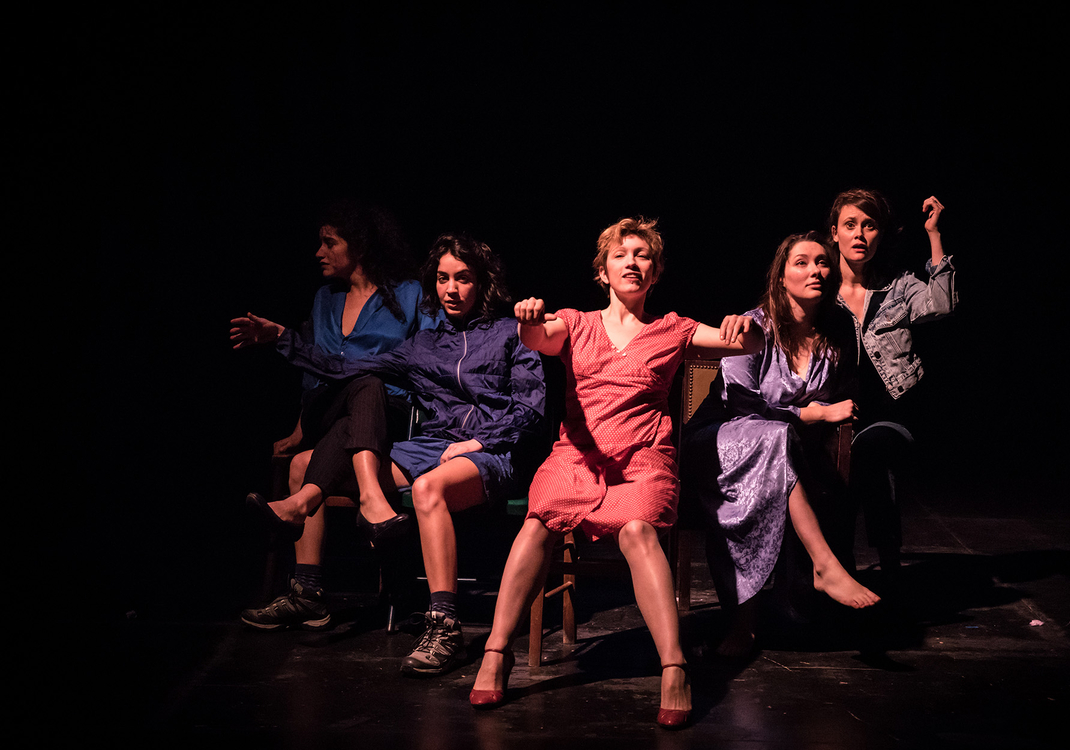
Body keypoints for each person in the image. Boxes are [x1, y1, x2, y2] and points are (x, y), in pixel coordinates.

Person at [467, 217, 764, 729]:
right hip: (577, 456)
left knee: (637, 530)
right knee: (537, 523)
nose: (632, 262)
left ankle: (674, 666)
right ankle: (497, 652)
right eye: (621, 254)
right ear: (602, 270)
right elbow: (538, 337)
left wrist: (747, 326)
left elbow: (748, 346)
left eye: (642, 255)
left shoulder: (675, 329)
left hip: (645, 458)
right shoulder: (575, 323)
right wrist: (528, 318)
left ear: (656, 271)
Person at [237, 233, 546, 676]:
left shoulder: (509, 334)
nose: (451, 290)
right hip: (431, 447)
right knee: (307, 465)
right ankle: (307, 590)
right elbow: (342, 368)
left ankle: (444, 626)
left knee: (427, 488)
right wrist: (283, 338)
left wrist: (478, 441)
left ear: (482, 284)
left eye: (462, 278)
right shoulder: (423, 346)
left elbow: (530, 409)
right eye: (442, 279)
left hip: (494, 452)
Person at [682, 232, 880, 658]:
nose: (816, 271)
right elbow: (741, 404)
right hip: (718, 442)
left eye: (824, 263)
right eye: (803, 263)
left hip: (785, 452)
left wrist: (817, 418)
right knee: (772, 437)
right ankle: (823, 566)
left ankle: (746, 626)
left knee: (778, 445)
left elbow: (848, 396)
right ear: (780, 276)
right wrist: (815, 413)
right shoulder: (752, 327)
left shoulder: (839, 330)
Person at [232, 199, 425, 632]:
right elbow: (314, 373)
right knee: (359, 388)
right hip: (330, 410)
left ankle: (307, 591)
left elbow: (423, 358)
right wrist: (300, 427)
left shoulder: (410, 295)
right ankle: (372, 504)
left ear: (358, 244)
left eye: (328, 242)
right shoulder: (325, 299)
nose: (319, 252)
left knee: (350, 407)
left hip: (387, 415)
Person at [829, 189, 955, 574]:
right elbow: (776, 312)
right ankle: (839, 559)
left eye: (869, 226)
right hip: (833, 414)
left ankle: (885, 559)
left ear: (880, 235)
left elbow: (941, 303)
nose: (860, 235)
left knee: (871, 448)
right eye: (850, 225)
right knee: (836, 460)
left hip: (891, 412)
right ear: (834, 233)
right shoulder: (819, 288)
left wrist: (933, 234)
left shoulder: (897, 286)